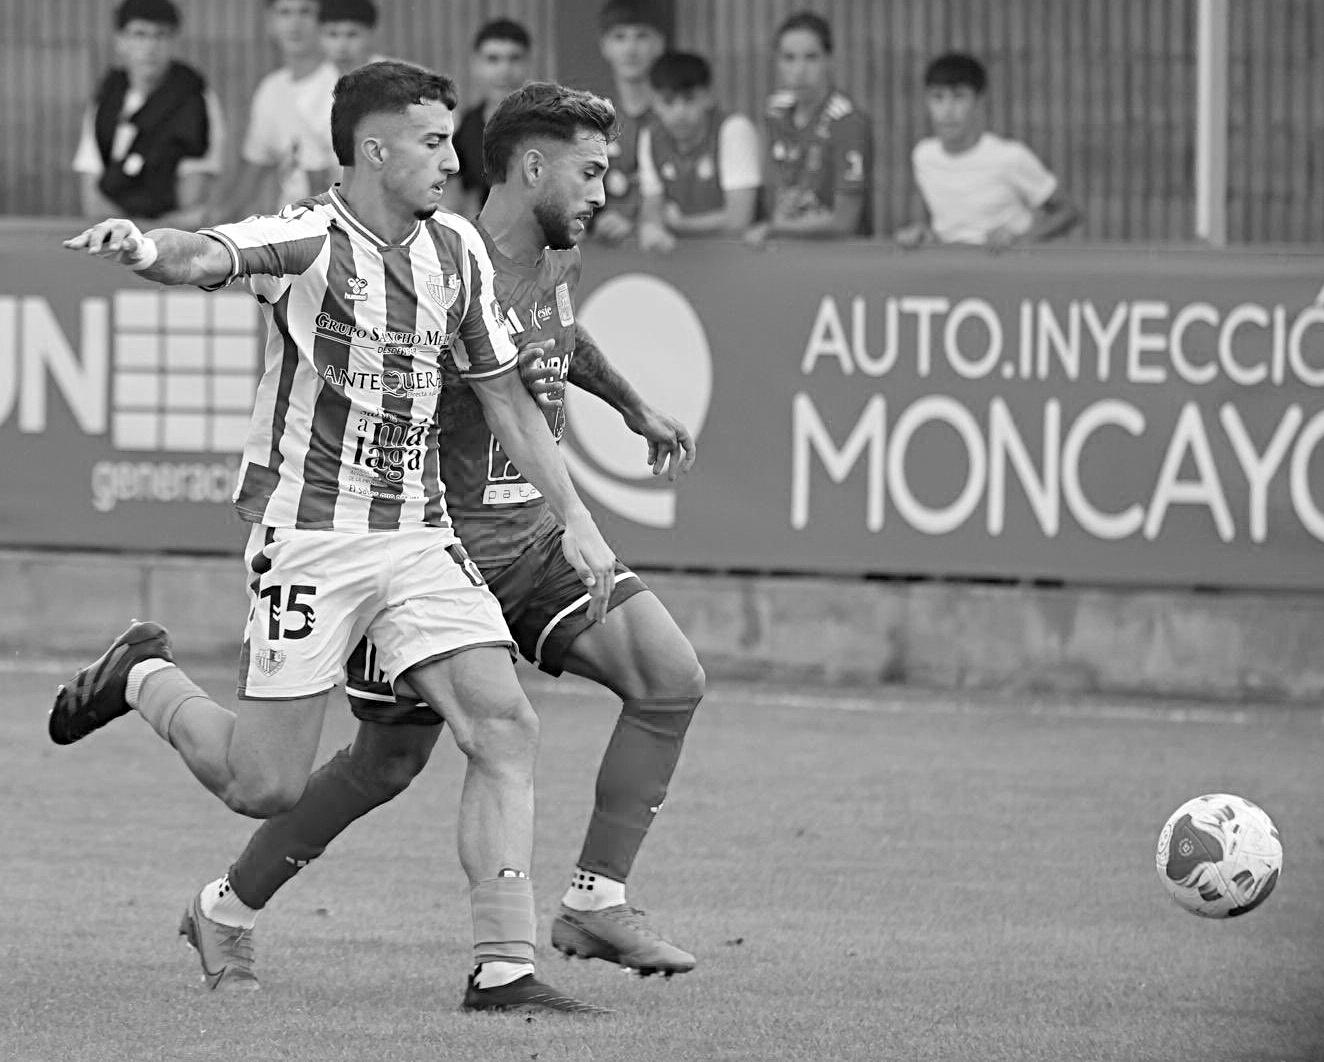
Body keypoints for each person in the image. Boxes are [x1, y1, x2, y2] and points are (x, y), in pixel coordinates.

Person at [54, 59, 618, 1016]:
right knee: (264, 787)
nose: (452, 160)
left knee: (503, 725)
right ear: (374, 150)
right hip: (312, 538)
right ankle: (143, 675)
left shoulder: (457, 251)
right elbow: (205, 254)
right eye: (433, 142)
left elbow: (507, 401)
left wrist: (581, 522)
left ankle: (502, 968)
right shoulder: (309, 238)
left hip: (417, 535)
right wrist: (144, 247)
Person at [176, 79, 704, 997]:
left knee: (668, 677)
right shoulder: (440, 261)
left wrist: (632, 406)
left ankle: (591, 901)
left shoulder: (553, 252)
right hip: (434, 549)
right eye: (589, 172)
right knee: (383, 764)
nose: (602, 191)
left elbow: (557, 339)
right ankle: (226, 906)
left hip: (530, 541)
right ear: (531, 167)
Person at [895, 52, 1081, 250]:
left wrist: (1019, 239)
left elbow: (1069, 212)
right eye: (938, 97)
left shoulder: (1010, 156)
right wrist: (924, 234)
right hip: (953, 264)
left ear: (979, 102)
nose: (947, 110)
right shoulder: (923, 156)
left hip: (1009, 265)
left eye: (959, 97)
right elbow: (954, 226)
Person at [72, 0, 225, 230]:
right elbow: (91, 194)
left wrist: (151, 235)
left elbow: (192, 196)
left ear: (174, 41)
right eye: (139, 34)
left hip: (172, 234)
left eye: (160, 35)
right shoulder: (107, 98)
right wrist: (125, 233)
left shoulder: (195, 99)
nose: (150, 46)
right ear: (120, 41)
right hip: (113, 232)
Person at [745, 11, 873, 246]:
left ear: (829, 60)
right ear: (777, 62)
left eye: (811, 58)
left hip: (838, 257)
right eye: (789, 58)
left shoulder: (848, 121)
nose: (799, 70)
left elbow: (844, 223)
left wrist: (776, 229)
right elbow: (770, 193)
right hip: (784, 253)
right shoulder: (774, 112)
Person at [213, 0, 338, 220]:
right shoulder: (270, 89)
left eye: (305, 12)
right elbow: (250, 177)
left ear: (323, 21)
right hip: (291, 227)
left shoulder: (346, 82)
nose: (295, 23)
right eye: (285, 13)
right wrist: (210, 223)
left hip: (346, 224)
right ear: (270, 22)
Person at [636, 51, 761, 254]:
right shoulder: (649, 136)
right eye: (668, 101)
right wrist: (652, 227)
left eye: (689, 99)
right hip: (681, 258)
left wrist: (678, 225)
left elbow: (738, 220)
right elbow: (652, 205)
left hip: (737, 256)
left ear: (709, 97)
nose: (679, 112)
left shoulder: (734, 129)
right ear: (654, 102)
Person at [590, 0, 667, 245]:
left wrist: (639, 222)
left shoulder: (675, 118)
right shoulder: (591, 119)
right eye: (620, 37)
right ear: (604, 46)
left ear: (659, 44)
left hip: (670, 251)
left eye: (641, 36)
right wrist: (593, 221)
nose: (630, 49)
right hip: (606, 253)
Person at [451, 18, 533, 220]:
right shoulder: (465, 127)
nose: (504, 70)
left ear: (528, 62)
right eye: (493, 59)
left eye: (514, 58)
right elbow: (453, 198)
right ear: (476, 64)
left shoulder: (552, 124)